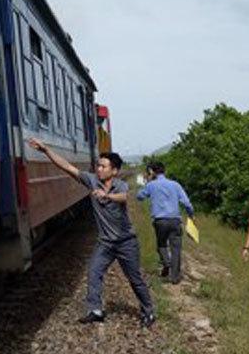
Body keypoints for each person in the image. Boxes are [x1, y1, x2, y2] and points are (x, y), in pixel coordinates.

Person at [27, 138, 155, 328]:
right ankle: (95, 310)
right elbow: (67, 167)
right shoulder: (92, 181)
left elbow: (124, 197)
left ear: (114, 171)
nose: (99, 169)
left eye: (103, 166)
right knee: (94, 272)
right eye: (98, 166)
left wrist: (107, 196)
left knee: (134, 278)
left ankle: (149, 311)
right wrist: (46, 150)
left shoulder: (120, 185)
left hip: (126, 242)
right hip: (105, 243)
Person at [136, 161, 194, 284]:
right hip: (175, 221)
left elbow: (139, 196)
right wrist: (191, 215)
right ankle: (175, 278)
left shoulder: (151, 185)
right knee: (176, 248)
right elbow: (186, 202)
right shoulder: (175, 184)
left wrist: (147, 182)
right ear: (164, 170)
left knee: (161, 245)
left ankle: (166, 263)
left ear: (151, 172)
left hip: (160, 221)